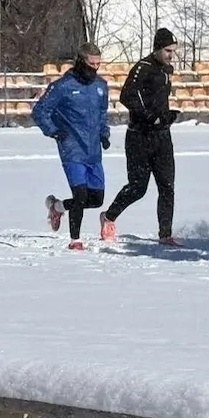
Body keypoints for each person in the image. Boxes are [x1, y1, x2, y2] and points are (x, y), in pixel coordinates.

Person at [101, 28, 180, 245]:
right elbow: (127, 95)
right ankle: (108, 216)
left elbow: (157, 100)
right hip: (140, 136)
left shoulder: (167, 70)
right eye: (167, 50)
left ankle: (165, 234)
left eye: (173, 51)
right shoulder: (142, 68)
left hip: (162, 137)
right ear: (156, 48)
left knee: (167, 186)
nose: (170, 55)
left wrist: (166, 116)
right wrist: (149, 116)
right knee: (138, 187)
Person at [33, 42, 111, 251]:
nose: (94, 68)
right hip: (72, 148)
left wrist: (104, 134)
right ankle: (75, 241)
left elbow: (103, 114)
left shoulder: (100, 86)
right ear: (80, 61)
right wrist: (54, 131)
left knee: (96, 199)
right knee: (80, 196)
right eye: (90, 63)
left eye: (98, 64)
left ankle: (57, 207)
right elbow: (40, 111)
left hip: (93, 150)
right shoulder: (62, 87)